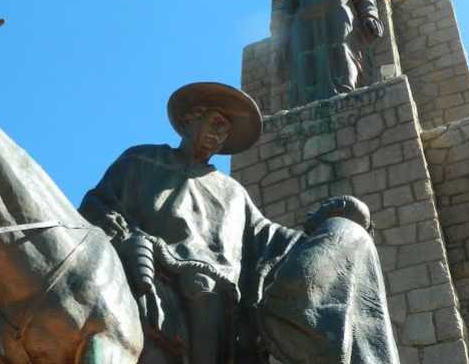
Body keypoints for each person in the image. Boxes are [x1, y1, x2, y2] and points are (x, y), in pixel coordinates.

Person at [79, 82, 398, 363]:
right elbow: (95, 206)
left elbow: (270, 239)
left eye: (225, 131)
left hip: (208, 290)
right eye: (216, 123)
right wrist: (128, 238)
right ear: (190, 119)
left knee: (204, 290)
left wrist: (333, 230)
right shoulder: (139, 160)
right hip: (142, 262)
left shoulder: (232, 193)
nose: (218, 136)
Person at [279, 0, 385, 106]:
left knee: (342, 48)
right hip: (304, 22)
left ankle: (346, 93)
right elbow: (283, 17)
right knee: (305, 59)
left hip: (336, 10)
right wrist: (281, 44)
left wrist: (369, 14)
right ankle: (308, 102)